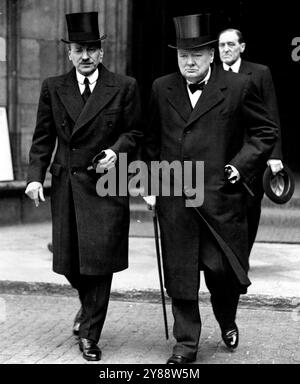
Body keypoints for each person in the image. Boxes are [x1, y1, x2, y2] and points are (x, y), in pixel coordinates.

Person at [142, 14, 278, 364]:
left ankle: (226, 317)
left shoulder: (237, 86)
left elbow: (265, 132)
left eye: (197, 55)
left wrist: (239, 166)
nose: (189, 62)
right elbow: (152, 141)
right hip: (176, 198)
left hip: (220, 198)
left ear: (212, 55)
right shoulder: (162, 87)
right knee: (181, 273)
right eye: (183, 56)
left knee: (223, 271)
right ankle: (186, 344)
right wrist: (150, 184)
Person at [25, 12, 142, 361]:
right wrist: (34, 176)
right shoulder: (53, 87)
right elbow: (43, 137)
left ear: (102, 52)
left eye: (92, 49)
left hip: (107, 184)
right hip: (67, 185)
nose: (86, 56)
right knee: (70, 265)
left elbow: (135, 132)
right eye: (79, 49)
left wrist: (116, 152)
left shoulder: (124, 87)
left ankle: (90, 333)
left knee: (100, 262)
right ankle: (87, 305)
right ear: (69, 53)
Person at [218, 28, 283, 252]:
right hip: (223, 154)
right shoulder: (212, 74)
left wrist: (275, 156)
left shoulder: (259, 72)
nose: (225, 49)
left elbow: (271, 115)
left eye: (230, 44)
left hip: (253, 155)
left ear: (242, 47)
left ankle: (243, 254)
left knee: (251, 206)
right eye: (221, 45)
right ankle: (230, 255)